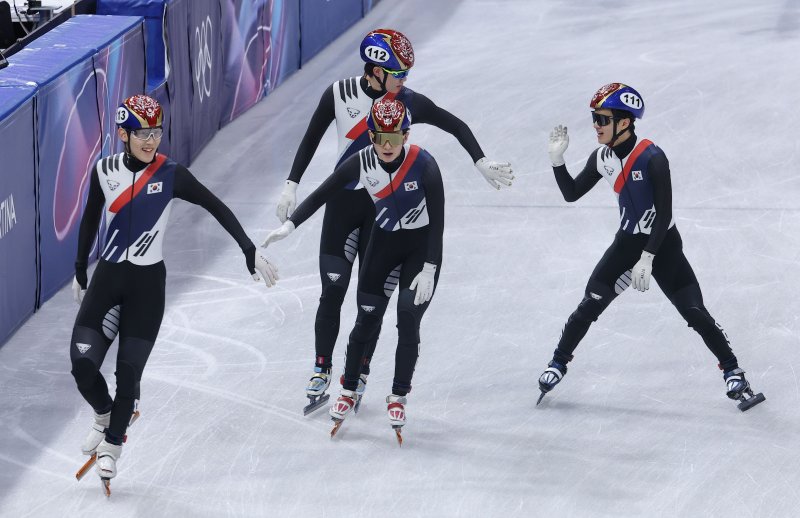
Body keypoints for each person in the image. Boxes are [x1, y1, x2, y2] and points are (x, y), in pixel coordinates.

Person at [273, 28, 514, 414]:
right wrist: (291, 185)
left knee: (370, 303)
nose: (404, 82)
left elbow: (454, 124)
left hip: (378, 215)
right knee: (332, 291)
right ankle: (321, 368)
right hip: (340, 207)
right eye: (398, 74)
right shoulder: (338, 94)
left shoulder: (406, 104)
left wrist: (480, 159)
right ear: (375, 70)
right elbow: (311, 138)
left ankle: (360, 370)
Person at [69, 94, 278, 489]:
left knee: (128, 373)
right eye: (143, 133)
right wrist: (80, 271)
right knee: (82, 365)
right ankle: (105, 413)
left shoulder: (171, 173)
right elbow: (89, 220)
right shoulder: (104, 171)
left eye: (157, 132)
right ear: (122, 135)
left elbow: (216, 206)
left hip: (147, 289)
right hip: (108, 282)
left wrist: (248, 249)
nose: (152, 141)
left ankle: (113, 444)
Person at [537, 83, 765, 411]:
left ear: (624, 122)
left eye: (602, 119)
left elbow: (664, 214)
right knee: (588, 306)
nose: (595, 126)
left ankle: (733, 371)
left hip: (663, 245)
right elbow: (572, 193)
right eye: (594, 118)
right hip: (627, 245)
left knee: (694, 312)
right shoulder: (601, 158)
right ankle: (558, 363)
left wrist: (649, 257)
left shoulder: (652, 157)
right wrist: (556, 160)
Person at [264, 98, 444, 440]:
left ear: (406, 135)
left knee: (408, 316)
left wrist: (431, 267)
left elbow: (438, 222)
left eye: (394, 138)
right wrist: (290, 227)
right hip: (384, 247)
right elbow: (321, 195)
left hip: (420, 253)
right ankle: (348, 388)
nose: (386, 146)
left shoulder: (425, 165)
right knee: (366, 318)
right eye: (379, 138)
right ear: (371, 137)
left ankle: (398, 394)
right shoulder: (361, 162)